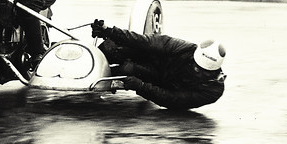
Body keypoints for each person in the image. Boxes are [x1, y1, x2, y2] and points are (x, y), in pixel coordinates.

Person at [91, 20, 226, 110]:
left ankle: (96, 78)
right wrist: (109, 31)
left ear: (210, 72)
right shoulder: (186, 48)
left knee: (127, 70)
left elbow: (173, 100)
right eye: (194, 64)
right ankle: (88, 64)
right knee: (112, 46)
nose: (194, 68)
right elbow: (144, 41)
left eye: (199, 69)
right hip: (155, 61)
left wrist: (141, 87)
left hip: (159, 83)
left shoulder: (213, 91)